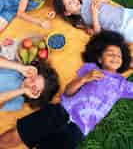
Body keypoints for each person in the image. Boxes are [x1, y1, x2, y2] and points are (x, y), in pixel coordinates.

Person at [1, 30, 133, 149]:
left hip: (78, 130)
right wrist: (84, 79)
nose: (115, 57)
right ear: (99, 58)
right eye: (110, 53)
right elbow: (68, 91)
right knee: (16, 135)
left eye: (119, 55)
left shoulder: (122, 85)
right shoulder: (90, 69)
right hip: (61, 111)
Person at [53, 0, 133, 42]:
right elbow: (97, 33)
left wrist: (100, 1)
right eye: (70, 3)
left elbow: (108, 0)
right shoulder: (81, 21)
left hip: (124, 13)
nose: (74, 1)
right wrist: (94, 14)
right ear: (67, 13)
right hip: (121, 27)